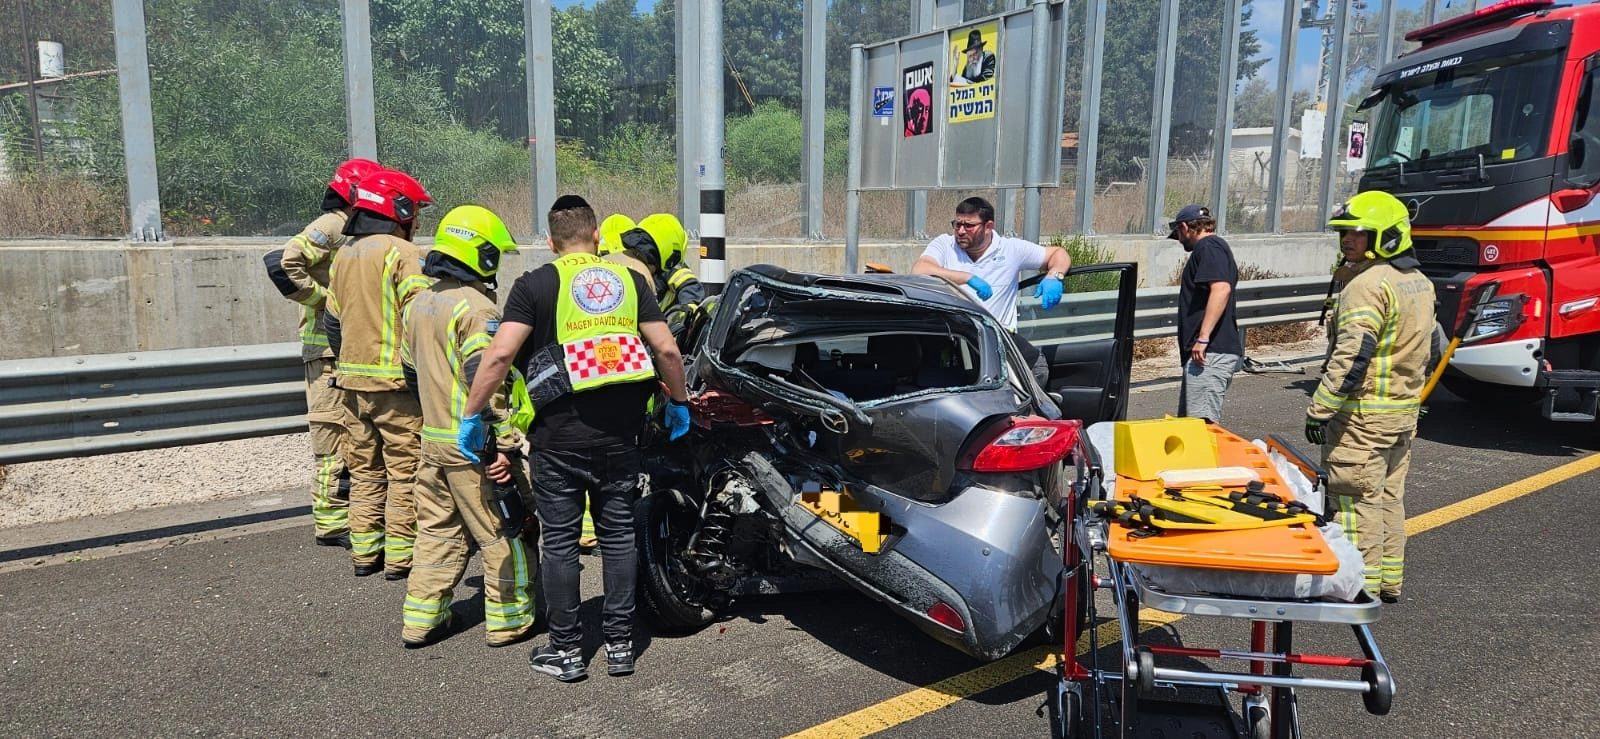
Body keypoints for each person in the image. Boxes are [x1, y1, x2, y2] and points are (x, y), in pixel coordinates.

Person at [456, 194, 691, 682]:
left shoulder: (534, 284)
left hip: (556, 440)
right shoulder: (629, 281)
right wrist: (680, 402)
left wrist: (473, 414)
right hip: (621, 437)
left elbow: (498, 356)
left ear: (550, 241)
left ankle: (565, 651)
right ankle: (620, 646)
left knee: (561, 542)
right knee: (618, 536)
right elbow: (667, 350)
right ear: (597, 234)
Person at [398, 204, 536, 648]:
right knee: (503, 531)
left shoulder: (418, 304)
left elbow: (410, 374)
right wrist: (500, 444)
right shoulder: (476, 308)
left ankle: (421, 619)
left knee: (436, 532)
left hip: (434, 442)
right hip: (474, 447)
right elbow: (484, 376)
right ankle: (510, 619)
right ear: (482, 254)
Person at [1305, 190, 1438, 605]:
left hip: (1362, 419)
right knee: (1387, 498)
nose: (1348, 240)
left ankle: (1359, 586)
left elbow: (1351, 358)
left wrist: (1320, 409)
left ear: (1386, 237)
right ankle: (1388, 580)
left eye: (1359, 233)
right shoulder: (1418, 283)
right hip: (1401, 415)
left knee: (1353, 502)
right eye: (1345, 233)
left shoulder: (1367, 286)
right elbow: (1431, 347)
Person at [262, 156, 380, 548]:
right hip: (326, 353)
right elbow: (283, 264)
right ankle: (331, 524)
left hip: (343, 350)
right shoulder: (333, 224)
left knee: (354, 437)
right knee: (332, 439)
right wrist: (328, 302)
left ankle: (352, 517)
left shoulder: (353, 229)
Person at [325, 167, 434, 579]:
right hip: (395, 387)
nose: (417, 221)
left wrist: (350, 364)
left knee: (365, 472)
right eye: (415, 211)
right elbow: (420, 318)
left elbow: (332, 321)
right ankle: (401, 558)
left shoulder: (344, 255)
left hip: (351, 386)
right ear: (398, 209)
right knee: (405, 473)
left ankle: (366, 552)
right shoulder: (404, 254)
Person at [911, 196, 1071, 387]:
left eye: (969, 226)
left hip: (996, 337)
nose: (960, 231)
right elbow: (920, 270)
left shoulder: (1010, 249)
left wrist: (1055, 275)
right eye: (957, 224)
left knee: (1037, 368)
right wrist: (967, 278)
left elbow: (1058, 254)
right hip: (954, 336)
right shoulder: (945, 245)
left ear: (988, 226)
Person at [1169, 204, 1243, 424]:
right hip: (1206, 353)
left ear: (1185, 227)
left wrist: (1203, 338)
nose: (1179, 240)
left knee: (1202, 427)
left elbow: (1221, 289)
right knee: (1190, 428)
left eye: (1178, 234)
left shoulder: (1209, 247)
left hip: (1210, 353)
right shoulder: (1213, 248)